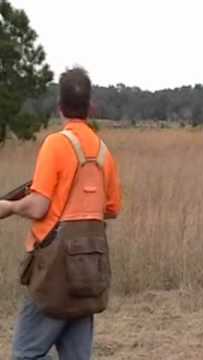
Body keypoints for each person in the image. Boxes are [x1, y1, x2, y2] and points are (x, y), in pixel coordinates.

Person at [0, 67, 122, 359]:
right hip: (89, 271)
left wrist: (11, 207)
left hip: (53, 273)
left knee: (25, 355)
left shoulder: (56, 144)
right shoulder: (104, 151)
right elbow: (112, 208)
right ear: (90, 106)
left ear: (60, 105)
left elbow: (39, 206)